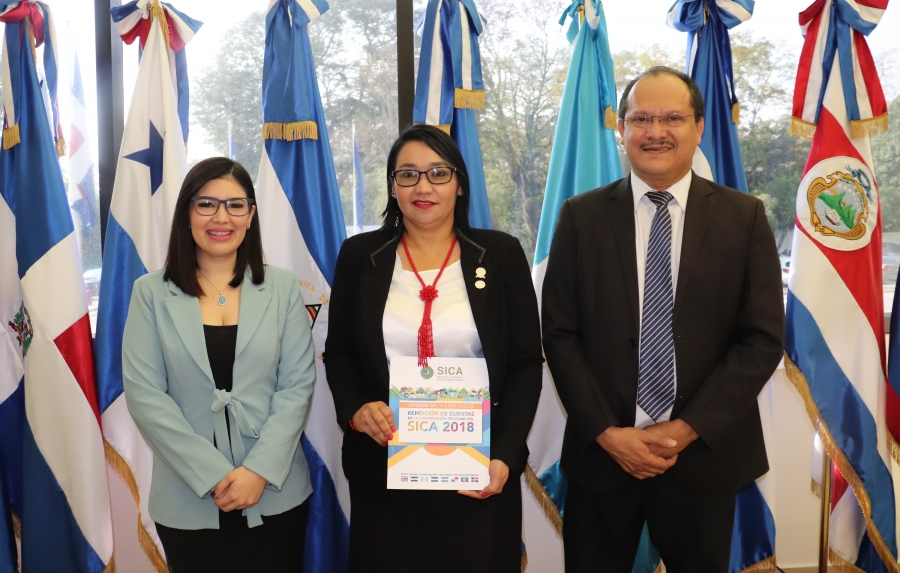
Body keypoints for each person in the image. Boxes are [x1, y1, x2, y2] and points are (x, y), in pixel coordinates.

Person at [541, 66, 785, 572]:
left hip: (701, 457)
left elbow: (761, 340)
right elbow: (560, 335)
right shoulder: (580, 217)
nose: (656, 132)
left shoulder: (744, 218)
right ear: (621, 130)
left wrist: (687, 429)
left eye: (672, 118)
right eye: (641, 119)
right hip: (603, 457)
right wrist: (608, 433)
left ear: (698, 127)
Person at [324, 125, 543, 573]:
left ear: (459, 184)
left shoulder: (500, 253)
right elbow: (340, 353)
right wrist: (356, 409)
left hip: (478, 469)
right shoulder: (360, 255)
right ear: (393, 187)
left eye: (438, 173)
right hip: (386, 470)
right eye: (408, 174)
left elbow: (524, 363)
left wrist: (504, 454)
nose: (423, 187)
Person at [122, 157, 316, 572]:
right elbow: (145, 395)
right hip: (187, 496)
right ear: (187, 213)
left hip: (274, 492)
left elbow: (297, 386)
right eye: (206, 204)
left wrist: (258, 471)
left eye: (235, 205)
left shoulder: (282, 287)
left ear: (251, 215)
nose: (221, 217)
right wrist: (213, 475)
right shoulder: (150, 292)